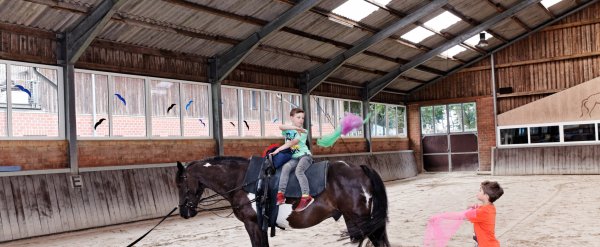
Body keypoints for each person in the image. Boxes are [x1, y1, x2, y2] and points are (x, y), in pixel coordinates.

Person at [270, 108, 313, 212]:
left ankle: (306, 195)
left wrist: (277, 150)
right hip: (294, 157)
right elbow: (281, 127)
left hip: (305, 156)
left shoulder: (304, 131)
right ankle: (280, 194)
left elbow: (292, 143)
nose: (301, 120)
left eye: (302, 118)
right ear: (292, 118)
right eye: (298, 117)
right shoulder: (289, 130)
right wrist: (294, 127)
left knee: (299, 171)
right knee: (285, 167)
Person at [466, 181, 504, 247]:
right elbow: (481, 210)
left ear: (486, 196)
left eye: (480, 190)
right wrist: (474, 208)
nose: (478, 192)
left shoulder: (483, 211)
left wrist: (444, 216)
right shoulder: (490, 207)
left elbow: (465, 216)